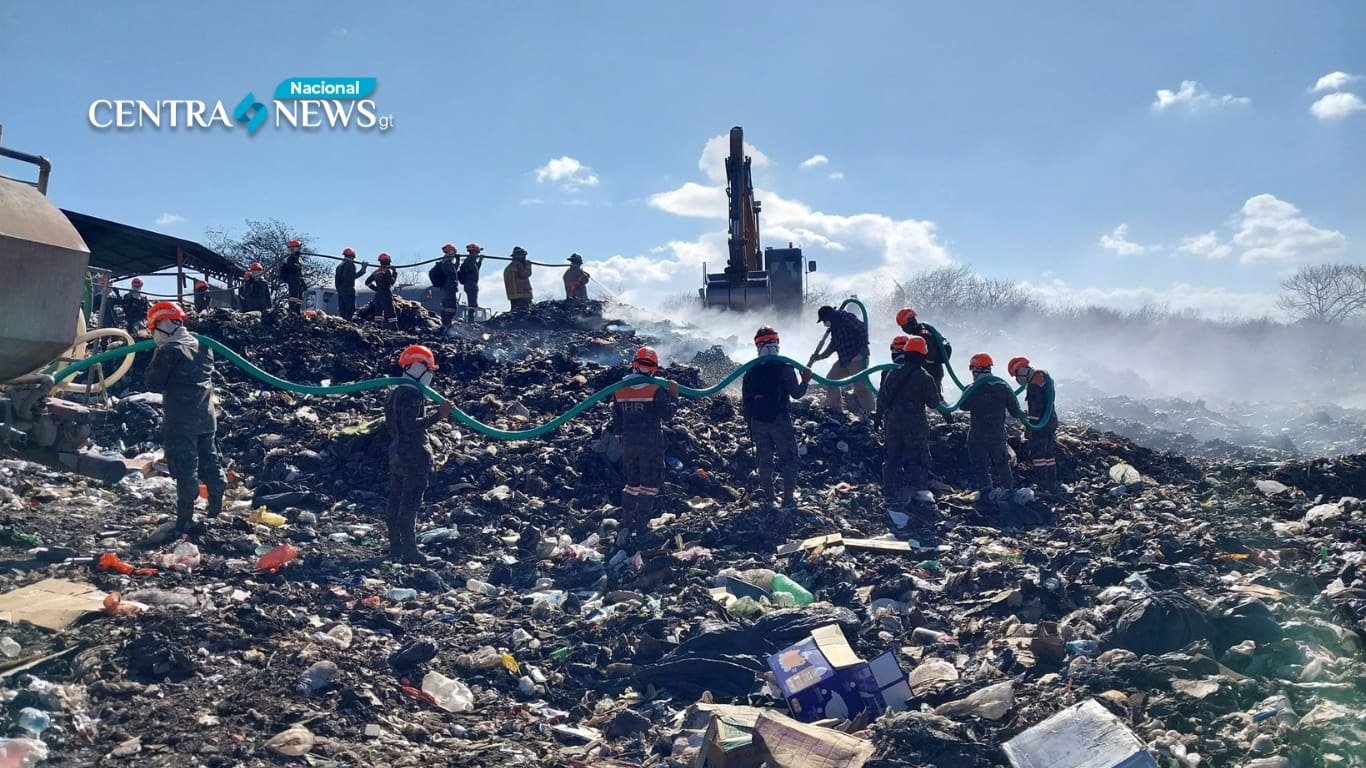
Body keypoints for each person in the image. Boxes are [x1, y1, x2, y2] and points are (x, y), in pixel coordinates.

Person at [143, 301, 225, 535]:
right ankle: (215, 506)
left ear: (163, 325)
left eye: (153, 329)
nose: (153, 335)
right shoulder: (203, 346)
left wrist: (157, 355)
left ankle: (185, 519)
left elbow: (153, 383)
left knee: (185, 466)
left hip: (180, 420)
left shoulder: (169, 351)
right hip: (206, 416)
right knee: (210, 459)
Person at [383, 344, 454, 563]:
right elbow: (410, 424)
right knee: (409, 503)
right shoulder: (412, 394)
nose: (431, 374)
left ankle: (395, 547)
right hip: (413, 455)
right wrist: (439, 416)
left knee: (395, 500)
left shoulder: (395, 393)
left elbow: (392, 425)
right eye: (430, 369)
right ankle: (411, 552)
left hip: (396, 453)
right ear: (417, 367)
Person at [611, 346, 680, 541]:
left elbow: (616, 419)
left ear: (634, 363)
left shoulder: (620, 389)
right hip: (650, 442)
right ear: (654, 368)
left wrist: (622, 439)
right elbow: (667, 415)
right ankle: (641, 527)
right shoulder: (655, 388)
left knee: (632, 484)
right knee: (649, 485)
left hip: (629, 442)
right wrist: (674, 396)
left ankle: (626, 523)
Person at [874, 336, 951, 506]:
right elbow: (933, 403)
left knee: (892, 456)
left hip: (893, 423)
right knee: (918, 457)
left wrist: (878, 418)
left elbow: (883, 398)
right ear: (923, 355)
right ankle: (917, 491)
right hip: (915, 425)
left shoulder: (892, 373)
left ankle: (890, 491)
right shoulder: (925, 377)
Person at [740, 326, 812, 509]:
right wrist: (805, 380)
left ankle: (769, 498)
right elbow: (797, 394)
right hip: (780, 420)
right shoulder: (785, 367)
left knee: (765, 459)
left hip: (758, 422)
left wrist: (751, 423)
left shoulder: (751, 370)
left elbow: (746, 402)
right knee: (788, 458)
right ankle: (788, 499)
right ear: (777, 343)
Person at [957, 353, 1025, 498]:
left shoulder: (972, 388)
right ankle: (1009, 490)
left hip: (978, 433)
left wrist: (972, 392)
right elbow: (1014, 411)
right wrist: (1023, 415)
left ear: (975, 369)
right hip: (997, 433)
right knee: (1002, 463)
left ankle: (986, 490)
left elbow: (962, 406)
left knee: (980, 464)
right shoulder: (1002, 387)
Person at [811, 305, 876, 415]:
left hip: (857, 358)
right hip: (845, 359)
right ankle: (834, 408)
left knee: (860, 386)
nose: (824, 324)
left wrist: (864, 345)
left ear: (829, 317)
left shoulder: (846, 317)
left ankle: (871, 413)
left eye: (824, 321)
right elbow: (833, 346)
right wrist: (820, 356)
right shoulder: (834, 328)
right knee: (831, 379)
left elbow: (861, 328)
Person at [1009, 356, 1059, 492]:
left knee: (1038, 455)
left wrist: (1030, 428)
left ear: (1023, 370)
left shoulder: (1034, 385)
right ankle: (1052, 484)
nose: (1017, 379)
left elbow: (1035, 409)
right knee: (1049, 454)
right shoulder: (1044, 378)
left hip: (1041, 425)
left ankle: (1043, 486)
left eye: (1016, 375)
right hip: (1051, 421)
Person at [896, 307, 952, 397]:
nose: (903, 329)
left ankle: (941, 409)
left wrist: (919, 364)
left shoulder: (923, 335)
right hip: (933, 370)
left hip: (932, 371)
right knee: (932, 395)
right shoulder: (923, 329)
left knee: (932, 397)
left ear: (909, 323)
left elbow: (931, 356)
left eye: (903, 326)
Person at [365, 253, 398, 327]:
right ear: (388, 261)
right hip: (386, 294)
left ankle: (379, 330)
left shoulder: (376, 272)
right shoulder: (386, 271)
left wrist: (376, 289)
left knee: (378, 314)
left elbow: (367, 282)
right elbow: (391, 282)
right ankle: (395, 330)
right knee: (391, 313)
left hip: (378, 296)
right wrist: (394, 273)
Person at [334, 247, 368, 321]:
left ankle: (342, 324)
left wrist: (339, 290)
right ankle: (347, 324)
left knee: (342, 310)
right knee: (349, 309)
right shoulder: (350, 265)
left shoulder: (339, 266)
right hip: (348, 290)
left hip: (340, 291)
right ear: (352, 256)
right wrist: (363, 269)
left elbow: (337, 281)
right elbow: (352, 277)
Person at [436, 243, 461, 328]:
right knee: (451, 307)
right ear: (451, 252)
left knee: (445, 305)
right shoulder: (448, 263)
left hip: (444, 288)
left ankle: (445, 324)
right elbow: (453, 273)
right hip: (449, 287)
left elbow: (452, 270)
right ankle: (447, 324)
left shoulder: (443, 262)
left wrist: (457, 262)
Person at [457, 243, 484, 321]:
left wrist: (480, 261)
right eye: (477, 252)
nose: (478, 253)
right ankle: (471, 320)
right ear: (475, 251)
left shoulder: (469, 260)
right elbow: (474, 270)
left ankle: (471, 319)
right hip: (471, 284)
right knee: (473, 303)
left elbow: (475, 270)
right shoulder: (471, 259)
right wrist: (476, 258)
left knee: (472, 303)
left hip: (468, 284)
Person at [280, 239, 306, 315]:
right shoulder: (290, 258)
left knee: (299, 297)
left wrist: (303, 283)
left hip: (298, 280)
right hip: (293, 280)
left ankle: (298, 311)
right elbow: (295, 267)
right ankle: (292, 311)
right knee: (294, 296)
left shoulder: (298, 258)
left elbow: (300, 272)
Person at [503, 246, 533, 311]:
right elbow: (525, 274)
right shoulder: (518, 265)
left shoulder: (509, 267)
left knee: (516, 312)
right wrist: (528, 266)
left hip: (513, 296)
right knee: (526, 312)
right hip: (522, 295)